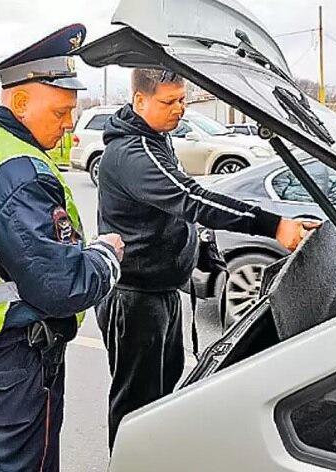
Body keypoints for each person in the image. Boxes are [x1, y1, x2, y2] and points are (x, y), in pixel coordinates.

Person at [0, 24, 123, 472]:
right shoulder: (19, 172)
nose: (70, 123)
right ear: (23, 101)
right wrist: (107, 255)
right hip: (16, 361)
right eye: (61, 111)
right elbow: (62, 286)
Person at [96, 68, 319, 449]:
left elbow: (174, 212)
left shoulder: (156, 138)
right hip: (134, 299)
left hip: (159, 293)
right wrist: (273, 225)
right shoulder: (133, 153)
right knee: (136, 408)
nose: (179, 109)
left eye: (182, 99)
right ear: (139, 100)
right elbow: (191, 198)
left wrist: (200, 251)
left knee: (162, 398)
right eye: (169, 102)